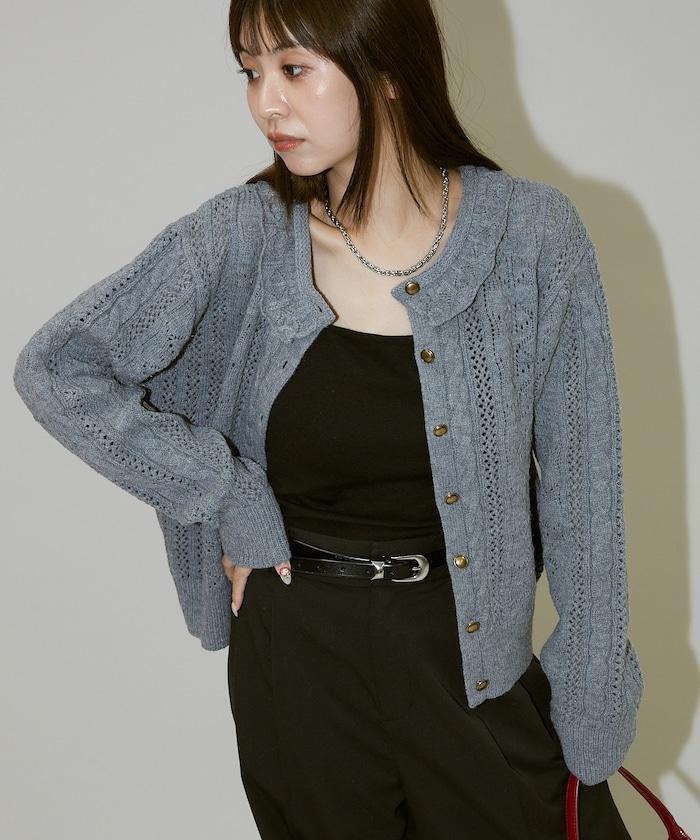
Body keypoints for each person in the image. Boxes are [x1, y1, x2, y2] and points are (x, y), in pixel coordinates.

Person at [13, 1, 644, 838]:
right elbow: (56, 368)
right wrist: (223, 488)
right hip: (299, 658)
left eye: (293, 69)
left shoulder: (531, 237)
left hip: (472, 658)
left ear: (387, 71)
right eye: (250, 72)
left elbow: (584, 486)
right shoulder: (241, 236)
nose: (265, 103)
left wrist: (592, 690)